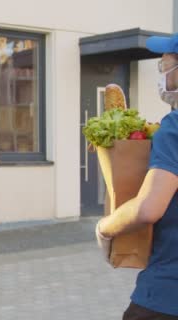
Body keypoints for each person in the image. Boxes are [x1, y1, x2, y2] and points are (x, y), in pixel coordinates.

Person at [96, 34, 178, 319]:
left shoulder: (174, 129)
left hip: (166, 296)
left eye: (164, 65)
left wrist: (106, 228)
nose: (161, 71)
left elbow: (148, 208)